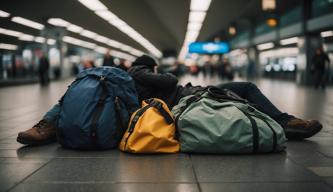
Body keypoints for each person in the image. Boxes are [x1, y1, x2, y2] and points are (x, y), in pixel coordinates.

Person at [16, 55, 322, 146]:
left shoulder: (123, 81)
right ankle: (284, 122)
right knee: (245, 87)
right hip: (188, 97)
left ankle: (48, 126)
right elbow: (173, 82)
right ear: (150, 67)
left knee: (76, 90)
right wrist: (148, 72)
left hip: (171, 103)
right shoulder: (141, 76)